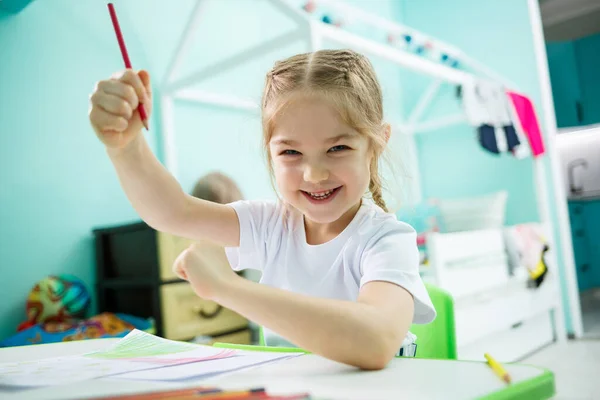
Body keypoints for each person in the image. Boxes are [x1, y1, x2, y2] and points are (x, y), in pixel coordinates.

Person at [88, 49, 436, 370]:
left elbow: (374, 342)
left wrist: (229, 289)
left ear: (376, 145)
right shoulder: (272, 225)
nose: (314, 174)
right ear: (269, 151)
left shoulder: (388, 240)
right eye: (290, 153)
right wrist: (126, 147)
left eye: (338, 147)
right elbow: (172, 213)